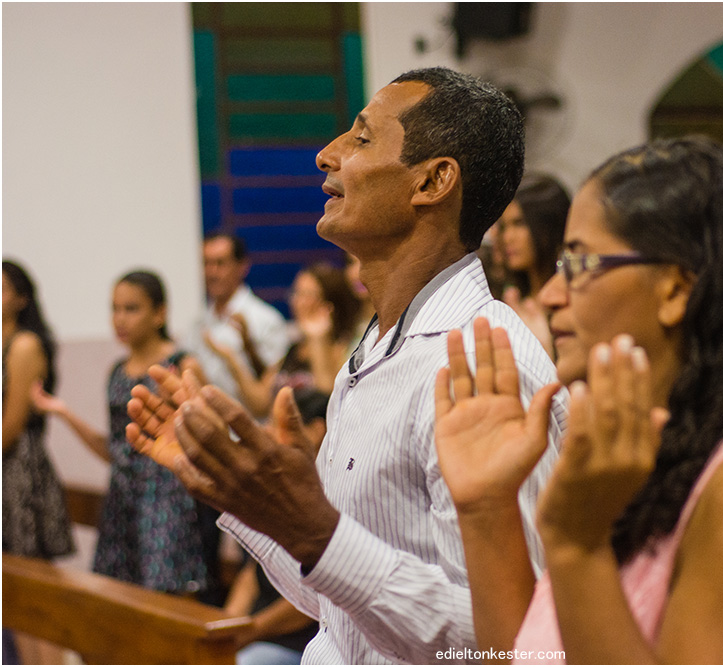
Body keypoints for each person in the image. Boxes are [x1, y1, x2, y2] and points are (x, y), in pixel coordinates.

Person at [126, 67, 566, 664]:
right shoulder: (382, 345)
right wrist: (245, 496)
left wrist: (316, 533)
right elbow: (336, 600)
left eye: (361, 139)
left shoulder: (481, 363)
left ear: (433, 181)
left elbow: (513, 644)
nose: (325, 154)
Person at [434, 137, 723, 663]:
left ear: (675, 291)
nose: (550, 294)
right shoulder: (652, 452)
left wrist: (576, 543)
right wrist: (486, 507)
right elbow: (529, 656)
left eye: (579, 263)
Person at [31, 270, 222, 599]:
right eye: (115, 309)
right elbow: (117, 449)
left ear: (159, 313)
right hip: (122, 501)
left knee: (170, 601)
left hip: (168, 501)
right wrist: (63, 413)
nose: (120, 319)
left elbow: (213, 435)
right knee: (120, 600)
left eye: (131, 309)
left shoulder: (181, 365)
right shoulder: (117, 373)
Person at [223, 387, 329, 666]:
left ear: (315, 430)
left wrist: (252, 630)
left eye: (276, 423)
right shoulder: (278, 484)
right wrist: (227, 622)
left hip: (298, 639)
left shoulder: (332, 491)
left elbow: (317, 597)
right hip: (257, 631)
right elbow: (252, 570)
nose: (267, 433)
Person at [2, 259, 75, 665]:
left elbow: (11, 425)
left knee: (35, 590)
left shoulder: (25, 344)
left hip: (21, 472)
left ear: (21, 298)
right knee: (12, 591)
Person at [203, 262, 361, 418]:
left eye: (307, 295)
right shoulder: (293, 348)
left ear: (329, 305)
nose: (297, 301)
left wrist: (317, 337)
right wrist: (230, 358)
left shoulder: (343, 349)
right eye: (296, 293)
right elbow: (260, 404)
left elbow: (327, 400)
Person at [186, 233, 289, 399]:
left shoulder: (267, 320)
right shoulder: (197, 324)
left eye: (220, 263)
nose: (212, 272)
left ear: (242, 266)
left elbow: (275, 388)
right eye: (206, 263)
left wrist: (246, 349)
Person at [496, 174, 571, 358]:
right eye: (504, 227)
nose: (508, 238)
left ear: (547, 226)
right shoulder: (509, 301)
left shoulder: (572, 301)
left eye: (519, 224)